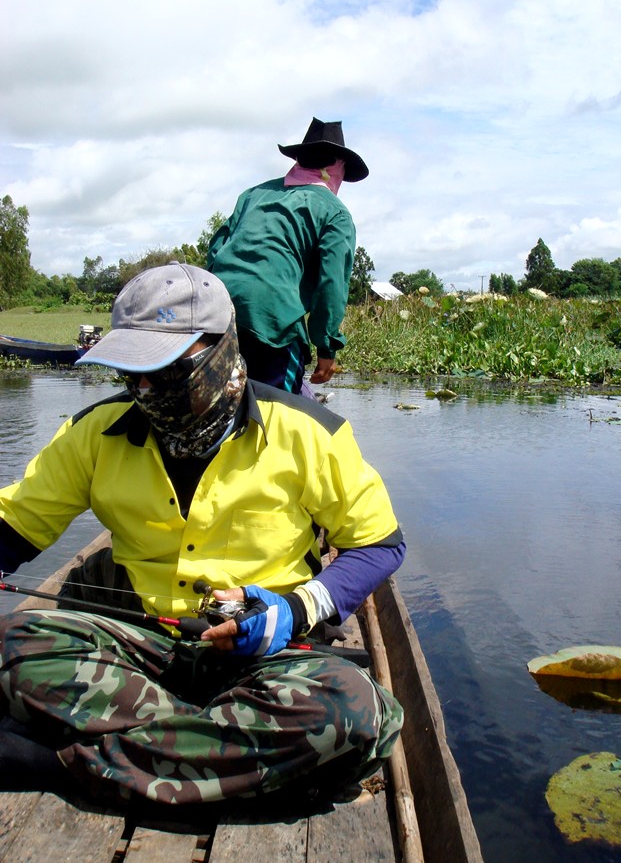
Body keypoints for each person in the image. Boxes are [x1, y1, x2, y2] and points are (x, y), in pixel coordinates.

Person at [0, 262, 405, 807]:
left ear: (219, 352)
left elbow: (380, 544)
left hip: (267, 657)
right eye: (130, 371)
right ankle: (228, 750)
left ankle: (56, 764)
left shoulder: (310, 434)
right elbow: (13, 529)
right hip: (137, 649)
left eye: (163, 369)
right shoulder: (92, 434)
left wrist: (298, 609)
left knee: (353, 708)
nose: (144, 389)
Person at [207, 117, 368, 395]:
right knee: (276, 418)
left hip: (214, 312)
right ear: (335, 168)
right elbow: (331, 285)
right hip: (273, 323)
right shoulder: (335, 212)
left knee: (220, 410)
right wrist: (326, 347)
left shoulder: (253, 195)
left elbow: (216, 248)